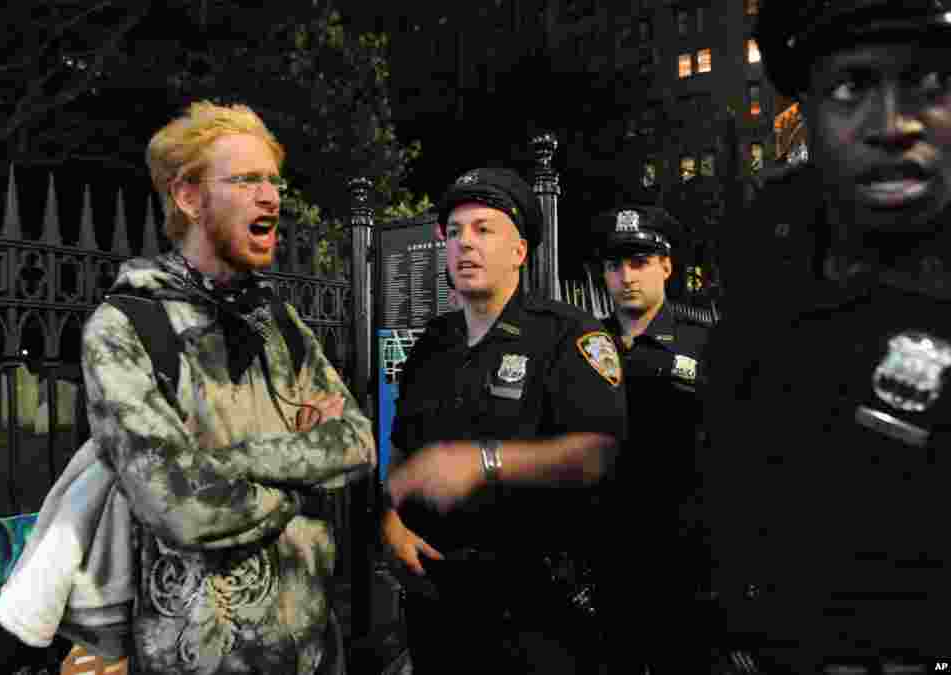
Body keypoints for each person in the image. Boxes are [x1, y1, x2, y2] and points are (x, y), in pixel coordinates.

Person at [0, 100, 376, 675]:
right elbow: (180, 508)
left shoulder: (281, 322)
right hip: (198, 657)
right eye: (246, 180)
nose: (271, 197)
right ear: (188, 197)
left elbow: (358, 443)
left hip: (312, 646)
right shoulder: (126, 326)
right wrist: (301, 478)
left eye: (273, 181)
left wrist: (218, 460)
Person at [705, 1, 951, 671]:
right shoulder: (767, 260)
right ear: (806, 112)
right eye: (852, 87)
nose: (895, 124)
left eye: (933, 84)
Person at [383, 167, 627, 674]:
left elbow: (598, 452)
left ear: (519, 251)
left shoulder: (565, 335)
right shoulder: (433, 343)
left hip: (531, 610)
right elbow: (404, 450)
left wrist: (483, 461)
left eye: (483, 229)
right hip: (436, 600)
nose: (464, 244)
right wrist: (391, 523)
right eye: (453, 232)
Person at [592, 204, 716, 672]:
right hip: (604, 563)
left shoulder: (706, 344)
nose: (626, 275)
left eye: (639, 262)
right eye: (614, 264)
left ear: (666, 266)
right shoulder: (584, 345)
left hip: (685, 564)